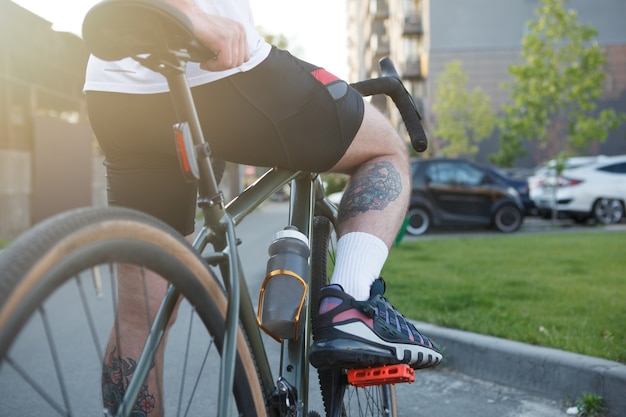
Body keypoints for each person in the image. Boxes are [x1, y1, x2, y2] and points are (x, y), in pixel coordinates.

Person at [84, 0, 442, 413]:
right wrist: (193, 15)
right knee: (383, 149)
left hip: (114, 91)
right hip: (212, 67)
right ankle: (351, 308)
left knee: (141, 314)